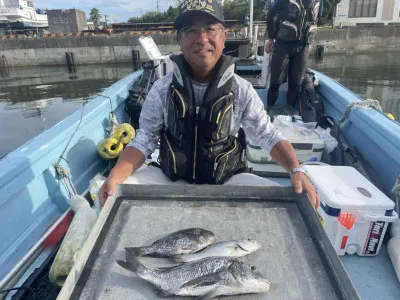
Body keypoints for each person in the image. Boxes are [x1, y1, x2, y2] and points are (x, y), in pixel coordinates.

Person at [99, 0, 319, 209]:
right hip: (170, 179)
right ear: (179, 39)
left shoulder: (241, 89)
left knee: (285, 201)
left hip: (228, 181)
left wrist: (296, 169)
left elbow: (267, 135)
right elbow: (145, 139)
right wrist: (114, 177)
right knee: (116, 192)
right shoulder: (162, 89)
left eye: (210, 29)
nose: (201, 38)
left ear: (223, 37)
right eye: (190, 30)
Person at [265, 0, 320, 107]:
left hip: (303, 47)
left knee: (296, 84)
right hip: (282, 45)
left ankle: (290, 113)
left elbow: (316, 20)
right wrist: (270, 38)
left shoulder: (316, 2)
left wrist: (310, 42)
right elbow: (271, 13)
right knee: (275, 83)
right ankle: (269, 110)